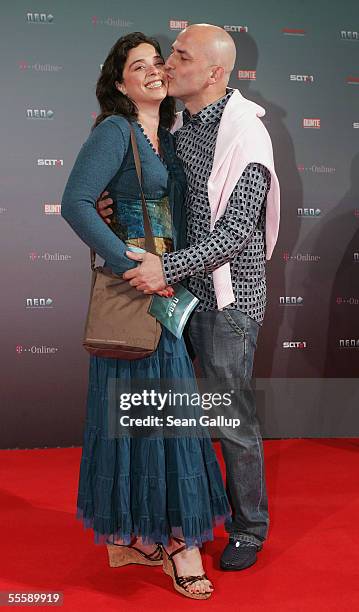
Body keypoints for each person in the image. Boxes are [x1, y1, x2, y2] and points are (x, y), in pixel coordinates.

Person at [98, 24, 280, 572]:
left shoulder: (248, 136)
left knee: (231, 419)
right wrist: (115, 206)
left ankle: (249, 529)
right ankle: (183, 525)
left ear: (215, 73)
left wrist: (163, 269)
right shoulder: (179, 123)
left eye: (180, 55)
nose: (168, 63)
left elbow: (234, 234)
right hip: (181, 296)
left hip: (227, 302)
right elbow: (167, 200)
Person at [61, 32, 231, 600]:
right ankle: (181, 547)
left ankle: (135, 538)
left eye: (159, 61)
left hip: (168, 289)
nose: (155, 71)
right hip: (139, 293)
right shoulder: (115, 131)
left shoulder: (170, 133)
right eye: (140, 66)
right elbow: (76, 203)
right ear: (119, 82)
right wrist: (126, 259)